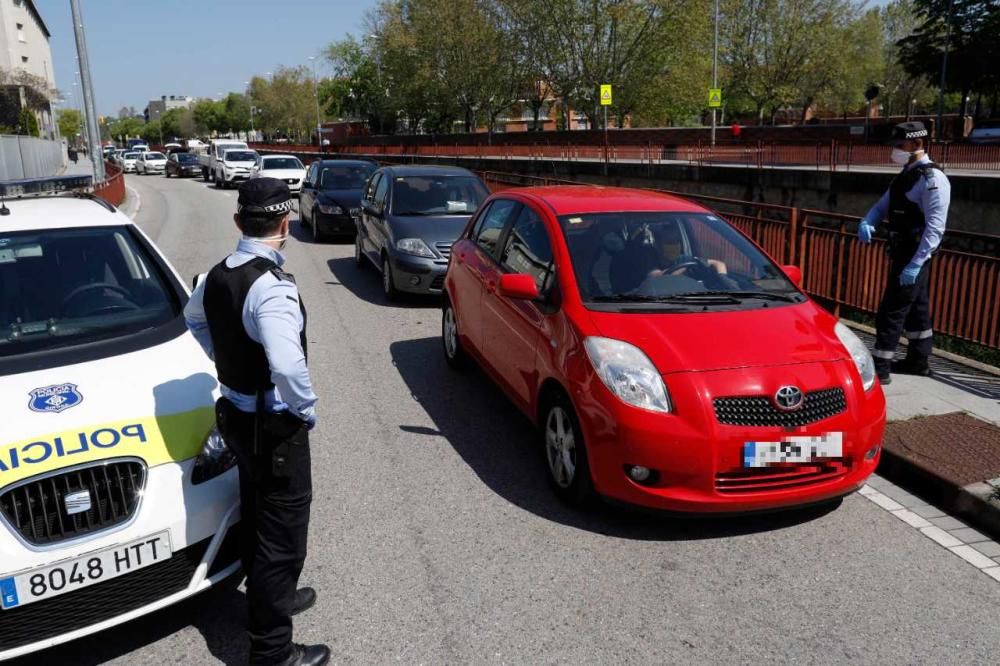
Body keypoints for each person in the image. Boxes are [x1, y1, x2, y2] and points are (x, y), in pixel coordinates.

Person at [184, 178, 328, 666]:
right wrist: (304, 410)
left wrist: (222, 357)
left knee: (256, 511)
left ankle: (273, 598)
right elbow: (288, 366)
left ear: (238, 221)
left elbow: (193, 319)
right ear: (285, 224)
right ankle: (272, 651)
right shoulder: (271, 287)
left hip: (237, 417)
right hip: (274, 427)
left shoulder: (217, 273)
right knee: (282, 537)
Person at [857, 121, 951, 385]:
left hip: (915, 254)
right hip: (901, 250)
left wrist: (916, 263)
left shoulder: (933, 181)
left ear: (917, 144)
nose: (895, 150)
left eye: (900, 145)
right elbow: (882, 205)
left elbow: (935, 228)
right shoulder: (905, 175)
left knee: (892, 310)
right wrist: (868, 221)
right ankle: (918, 361)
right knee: (917, 309)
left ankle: (881, 367)